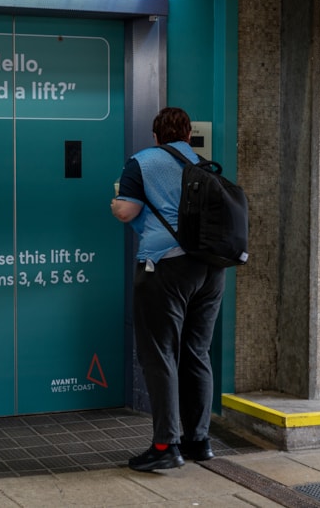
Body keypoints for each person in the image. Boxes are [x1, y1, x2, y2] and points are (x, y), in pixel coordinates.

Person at [110, 107, 226, 472]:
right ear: (188, 135)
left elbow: (127, 211)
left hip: (164, 265)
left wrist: (115, 203)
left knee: (160, 354)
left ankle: (165, 445)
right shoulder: (203, 164)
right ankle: (199, 441)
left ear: (156, 135)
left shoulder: (142, 161)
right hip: (211, 268)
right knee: (197, 353)